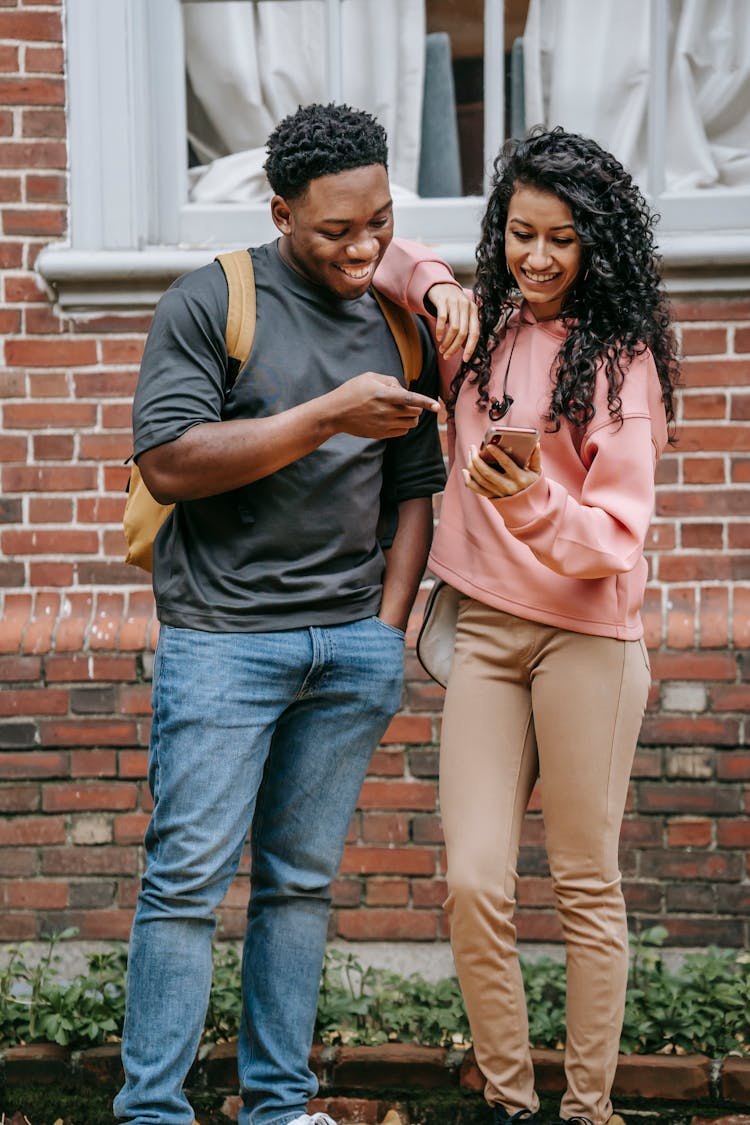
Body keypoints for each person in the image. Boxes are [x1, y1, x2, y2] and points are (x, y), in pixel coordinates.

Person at [113, 102, 477, 1125]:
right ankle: (153, 1113)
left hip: (348, 646)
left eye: (381, 222)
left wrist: (386, 629)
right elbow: (171, 462)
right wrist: (324, 414)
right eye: (336, 231)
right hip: (223, 642)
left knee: (299, 889)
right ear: (281, 213)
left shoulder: (402, 320)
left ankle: (277, 1106)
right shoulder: (211, 301)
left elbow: (415, 483)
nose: (364, 246)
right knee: (186, 884)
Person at [376, 126, 680, 1125]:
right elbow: (372, 248)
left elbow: (615, 541)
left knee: (587, 886)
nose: (537, 259)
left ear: (597, 245)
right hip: (489, 638)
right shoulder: (480, 331)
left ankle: (588, 1109)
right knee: (472, 882)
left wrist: (530, 501)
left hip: (587, 639)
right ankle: (511, 1102)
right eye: (518, 234)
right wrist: (435, 289)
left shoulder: (621, 363)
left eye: (560, 240)